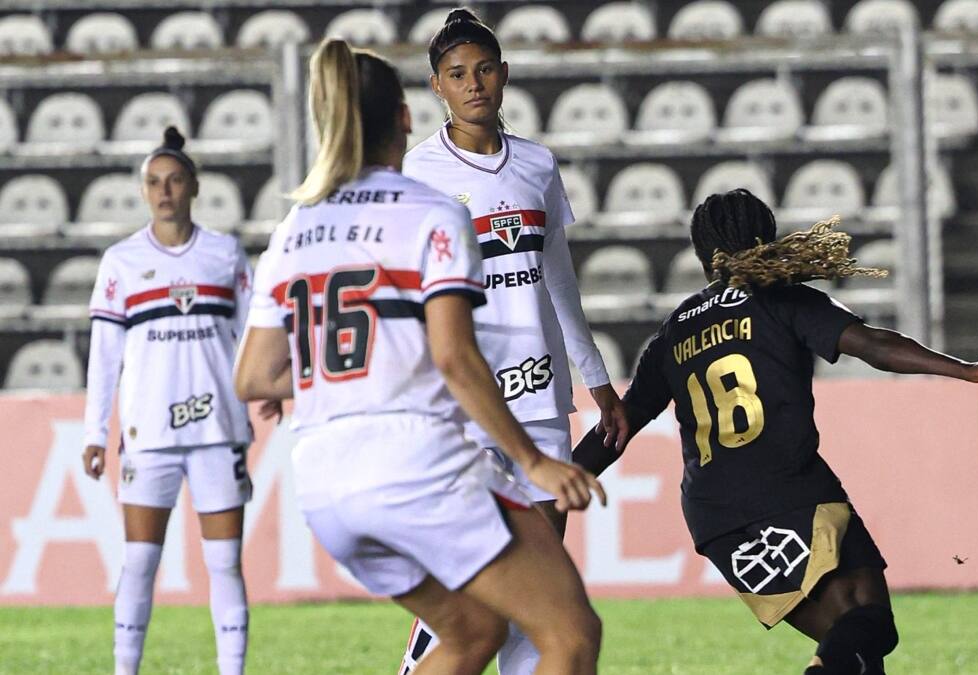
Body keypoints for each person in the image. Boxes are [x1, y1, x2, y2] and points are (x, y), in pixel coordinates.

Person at [233, 39, 606, 675]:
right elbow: (456, 359)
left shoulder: (295, 226)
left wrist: (336, 368)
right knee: (569, 633)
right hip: (413, 465)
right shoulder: (430, 212)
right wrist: (533, 462)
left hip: (324, 485)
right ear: (406, 117)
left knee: (470, 632)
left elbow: (254, 376)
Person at [573, 189, 978, 675]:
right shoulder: (781, 300)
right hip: (788, 489)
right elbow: (872, 345)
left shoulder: (673, 333)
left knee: (851, 649)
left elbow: (617, 427)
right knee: (869, 623)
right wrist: (964, 369)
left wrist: (551, 480)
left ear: (703, 258)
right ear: (767, 238)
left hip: (715, 519)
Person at [400, 9, 628, 674]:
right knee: (472, 589)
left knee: (542, 588)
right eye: (456, 74)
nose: (474, 84)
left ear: (505, 74)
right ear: (436, 85)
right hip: (467, 402)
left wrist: (596, 378)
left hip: (540, 399)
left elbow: (559, 279)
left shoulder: (536, 164)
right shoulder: (419, 174)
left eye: (485, 69)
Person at [82, 126, 273, 675]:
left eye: (173, 180)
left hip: (218, 431)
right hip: (149, 435)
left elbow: (252, 330)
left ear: (193, 186)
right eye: (153, 182)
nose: (164, 191)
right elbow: (105, 356)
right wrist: (96, 432)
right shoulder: (120, 262)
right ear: (143, 191)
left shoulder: (223, 254)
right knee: (140, 563)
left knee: (224, 564)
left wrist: (267, 384)